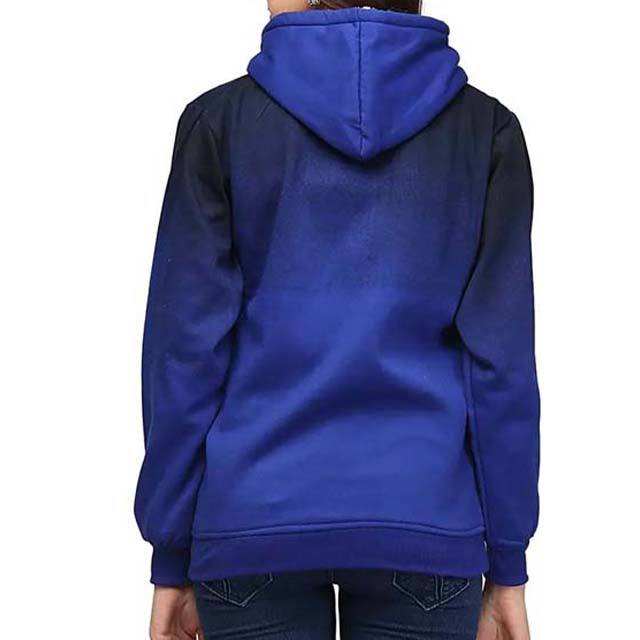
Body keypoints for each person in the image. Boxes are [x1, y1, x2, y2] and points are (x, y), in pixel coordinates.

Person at [135, 0, 540, 638]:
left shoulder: (220, 124)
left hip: (252, 519)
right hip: (424, 517)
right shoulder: (485, 130)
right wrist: (509, 559)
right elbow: (500, 364)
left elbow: (185, 355)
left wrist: (172, 551)